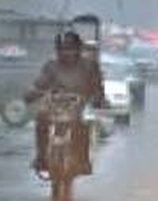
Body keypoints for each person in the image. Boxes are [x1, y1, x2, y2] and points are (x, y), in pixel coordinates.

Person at [25, 31, 105, 175]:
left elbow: (97, 86)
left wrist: (98, 98)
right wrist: (32, 93)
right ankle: (41, 157)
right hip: (54, 107)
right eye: (62, 49)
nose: (66, 53)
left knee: (84, 124)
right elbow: (40, 83)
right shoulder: (51, 66)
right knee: (41, 118)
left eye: (70, 48)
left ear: (78, 49)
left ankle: (83, 160)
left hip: (79, 107)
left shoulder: (89, 66)